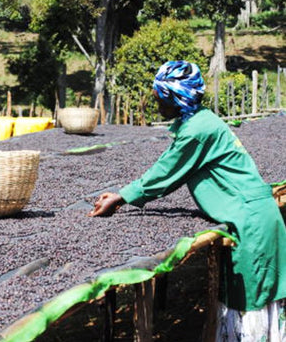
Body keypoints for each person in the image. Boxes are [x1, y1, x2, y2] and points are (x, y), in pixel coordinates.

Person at [89, 60, 286, 340]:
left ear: (175, 98)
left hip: (251, 222)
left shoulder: (198, 130)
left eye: (159, 97)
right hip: (254, 213)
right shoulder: (200, 121)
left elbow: (167, 172)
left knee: (250, 307)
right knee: (252, 301)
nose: (155, 102)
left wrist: (121, 197)